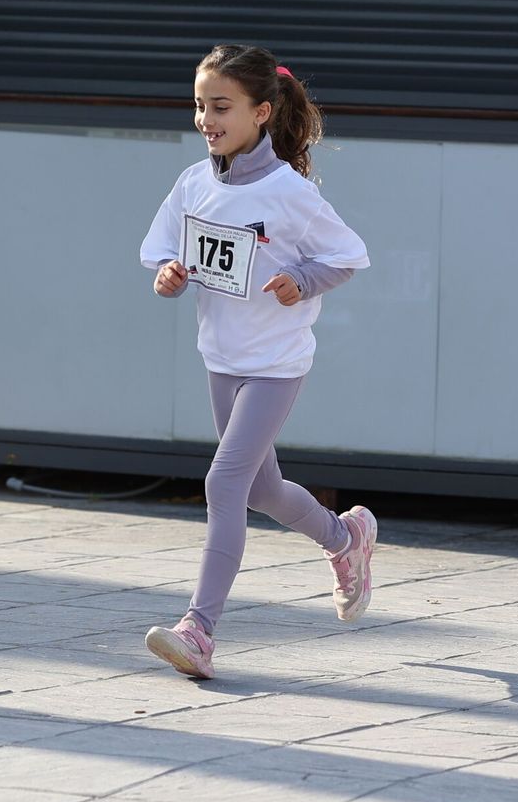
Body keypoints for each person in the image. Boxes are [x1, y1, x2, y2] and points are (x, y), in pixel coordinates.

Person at [139, 44, 374, 679]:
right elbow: (164, 250)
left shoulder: (289, 191)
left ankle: (199, 628)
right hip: (222, 360)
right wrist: (169, 275)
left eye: (221, 107)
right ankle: (345, 538)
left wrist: (303, 278)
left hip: (276, 366)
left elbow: (347, 256)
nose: (206, 119)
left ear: (262, 112)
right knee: (262, 488)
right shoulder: (193, 182)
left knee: (224, 484)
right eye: (199, 106)